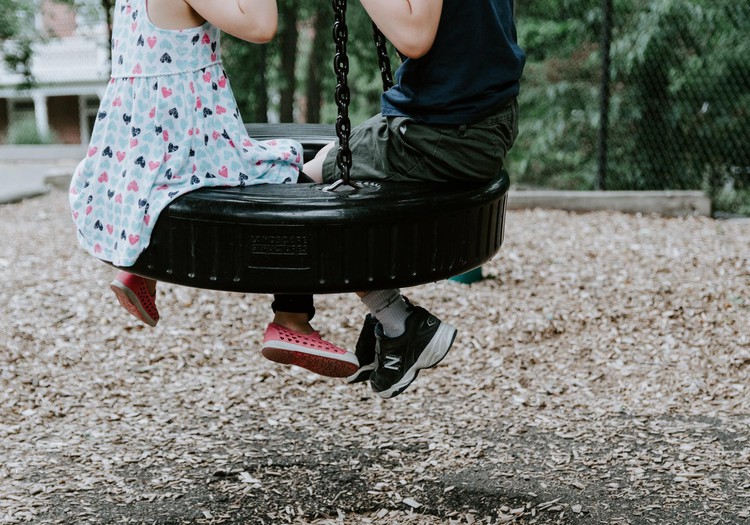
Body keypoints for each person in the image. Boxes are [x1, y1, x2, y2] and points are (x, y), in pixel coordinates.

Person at [68, 0, 358, 378]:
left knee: (167, 186)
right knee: (287, 177)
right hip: (188, 137)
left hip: (141, 149)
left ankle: (141, 264)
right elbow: (260, 26)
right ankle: (292, 319)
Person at [269, 0, 526, 398]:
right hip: (474, 118)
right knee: (327, 166)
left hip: (446, 132)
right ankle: (393, 323)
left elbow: (414, 36)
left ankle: (302, 319)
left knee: (314, 182)